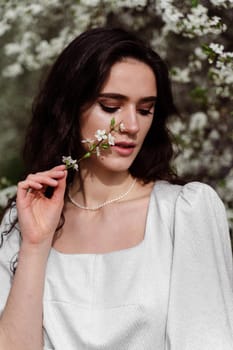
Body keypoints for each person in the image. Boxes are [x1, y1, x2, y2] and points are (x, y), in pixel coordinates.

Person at [0, 27, 232, 350]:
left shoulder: (184, 213)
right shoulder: (23, 221)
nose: (132, 126)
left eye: (145, 109)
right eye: (111, 107)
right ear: (69, 108)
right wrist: (36, 245)